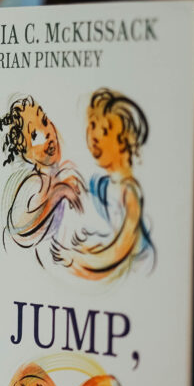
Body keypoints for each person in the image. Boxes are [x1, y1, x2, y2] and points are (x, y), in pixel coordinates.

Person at [51, 88, 155, 280]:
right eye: (92, 125)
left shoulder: (129, 193)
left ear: (126, 142)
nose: (94, 136)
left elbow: (120, 250)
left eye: (105, 131)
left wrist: (79, 259)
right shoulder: (100, 184)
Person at [0, 96, 84, 256]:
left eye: (44, 122)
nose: (47, 134)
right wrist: (57, 194)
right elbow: (16, 226)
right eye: (35, 136)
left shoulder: (63, 174)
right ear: (26, 153)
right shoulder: (35, 183)